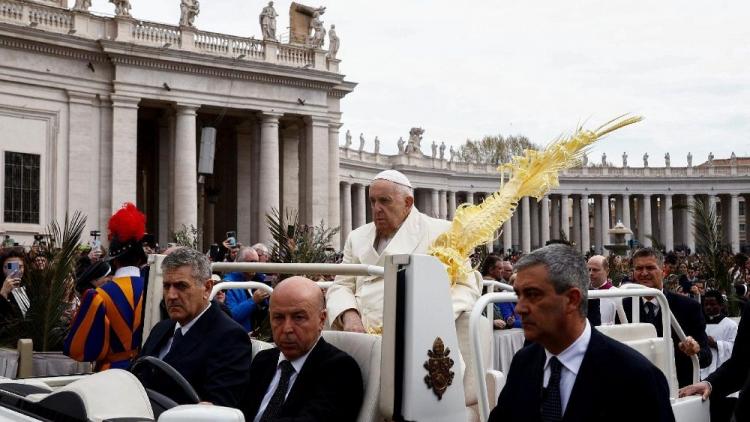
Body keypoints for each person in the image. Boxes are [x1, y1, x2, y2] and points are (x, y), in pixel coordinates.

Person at [488, 244, 674, 422]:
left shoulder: (636, 377)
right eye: (518, 295)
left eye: (533, 295)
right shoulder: (524, 362)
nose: (520, 308)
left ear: (572, 299)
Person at [326, 169, 480, 334]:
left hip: (416, 334)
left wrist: (425, 318)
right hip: (358, 335)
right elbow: (341, 285)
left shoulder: (443, 232)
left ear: (408, 203)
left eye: (385, 201)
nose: (376, 208)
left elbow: (465, 288)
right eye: (373, 201)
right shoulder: (356, 237)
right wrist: (349, 315)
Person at [139, 248, 252, 407]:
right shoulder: (161, 329)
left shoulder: (230, 338)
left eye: (181, 286)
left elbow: (219, 406)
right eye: (166, 286)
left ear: (207, 288)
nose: (171, 296)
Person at [241, 276, 363, 421]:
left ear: (321, 320)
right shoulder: (263, 361)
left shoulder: (340, 370)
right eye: (278, 317)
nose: (287, 328)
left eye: (298, 317)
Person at [64, 203, 147, 371]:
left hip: (110, 374)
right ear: (140, 259)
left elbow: (77, 349)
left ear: (114, 261)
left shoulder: (99, 295)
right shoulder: (159, 291)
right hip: (147, 372)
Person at [620, 247, 712, 387]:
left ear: (663, 271)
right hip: (638, 390)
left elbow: (706, 357)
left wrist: (695, 351)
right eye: (639, 268)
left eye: (650, 267)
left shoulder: (689, 307)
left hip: (680, 391)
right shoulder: (623, 308)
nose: (644, 273)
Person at [224, 246, 269, 332]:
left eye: (256, 262)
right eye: (251, 262)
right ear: (240, 263)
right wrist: (253, 301)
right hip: (238, 338)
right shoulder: (228, 284)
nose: (255, 265)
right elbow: (230, 316)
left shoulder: (258, 280)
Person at [587, 255, 618, 325]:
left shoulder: (617, 294)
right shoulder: (583, 293)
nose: (591, 273)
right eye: (589, 270)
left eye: (595, 270)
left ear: (607, 271)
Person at [1, 247, 29, 319]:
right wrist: (3, 293)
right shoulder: (2, 290)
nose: (16, 271)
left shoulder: (30, 287)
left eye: (20, 267)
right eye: (9, 267)